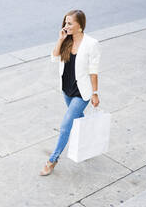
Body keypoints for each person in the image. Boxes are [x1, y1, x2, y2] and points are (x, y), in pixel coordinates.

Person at [39, 9, 101, 176]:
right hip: (66, 90)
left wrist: (95, 93)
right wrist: (60, 39)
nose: (66, 26)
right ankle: (88, 144)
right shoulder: (66, 40)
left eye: (70, 23)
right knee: (78, 119)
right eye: (65, 23)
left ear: (80, 25)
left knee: (66, 124)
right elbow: (54, 57)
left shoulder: (91, 44)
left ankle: (52, 160)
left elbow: (93, 71)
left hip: (82, 93)